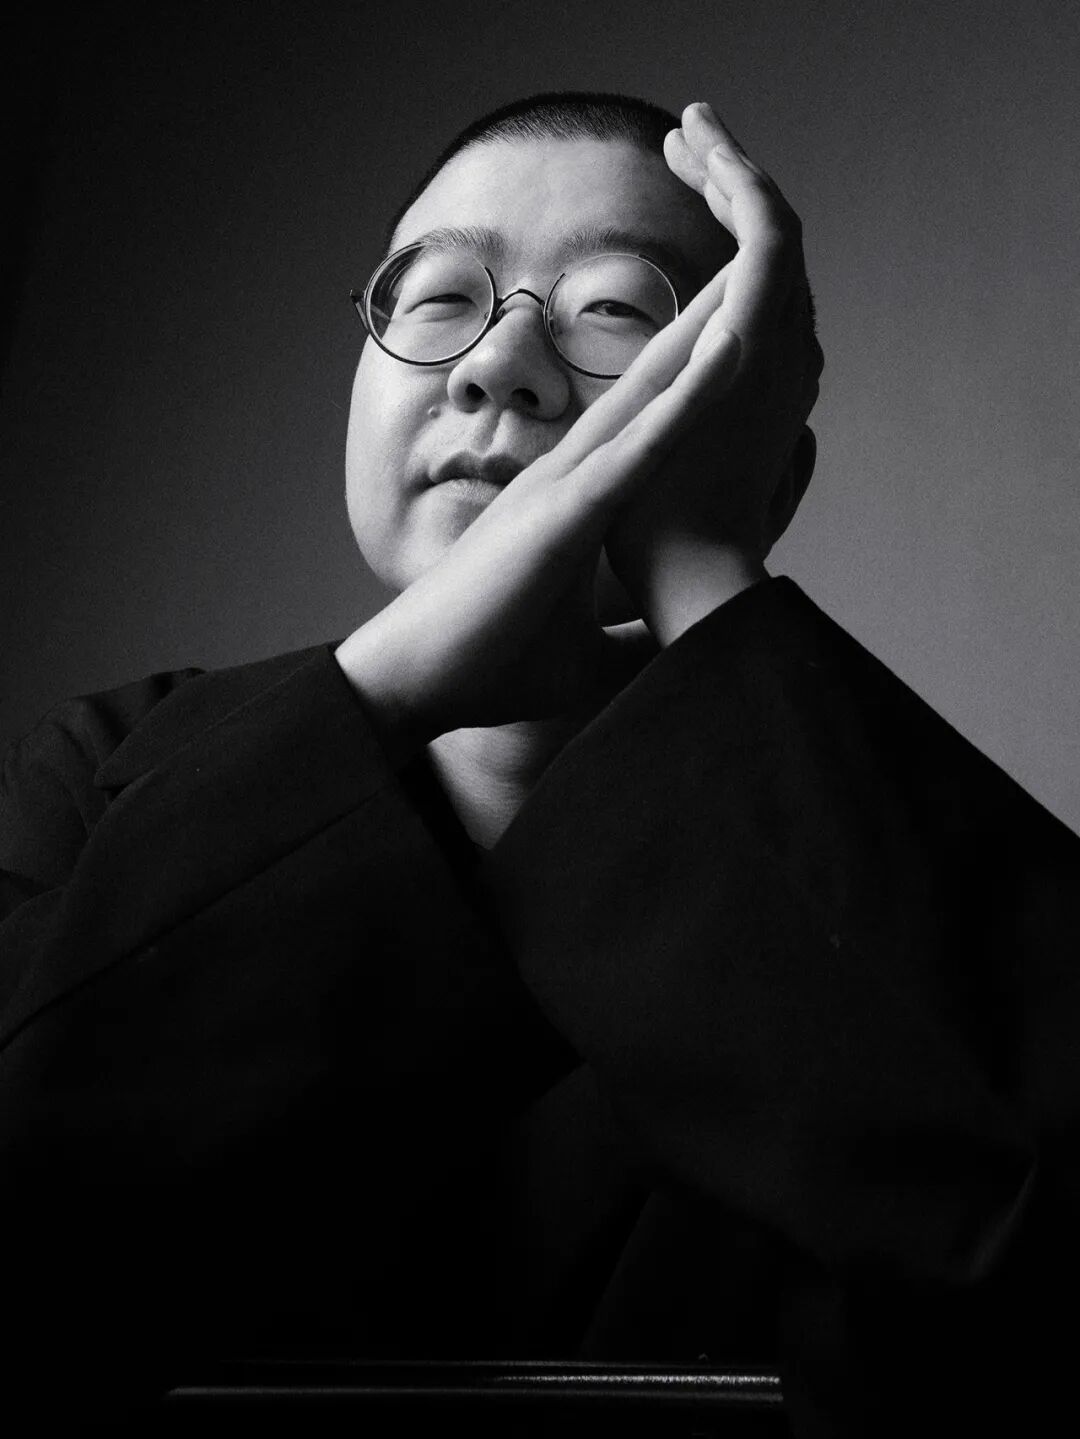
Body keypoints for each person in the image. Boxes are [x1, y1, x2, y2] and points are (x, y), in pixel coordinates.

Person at [1, 91, 1077, 1437]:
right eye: (438, 298)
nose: (499, 364)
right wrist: (393, 684)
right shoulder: (101, 770)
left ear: (757, 460)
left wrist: (705, 561)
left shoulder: (874, 844)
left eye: (614, 311)